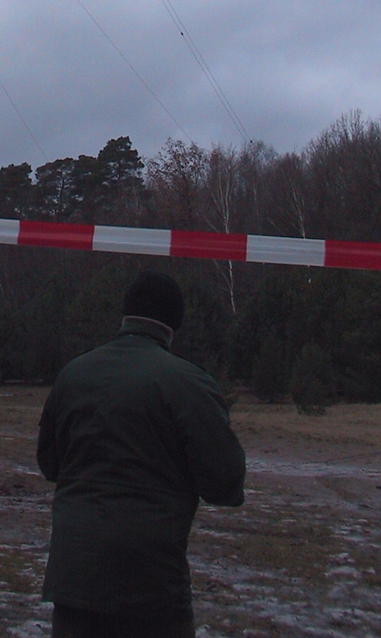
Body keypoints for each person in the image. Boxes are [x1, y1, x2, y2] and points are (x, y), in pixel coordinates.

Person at [37, 270, 245, 638]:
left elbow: (50, 464)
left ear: (125, 313)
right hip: (152, 584)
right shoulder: (189, 383)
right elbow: (224, 481)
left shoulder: (73, 374)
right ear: (174, 323)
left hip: (75, 580)